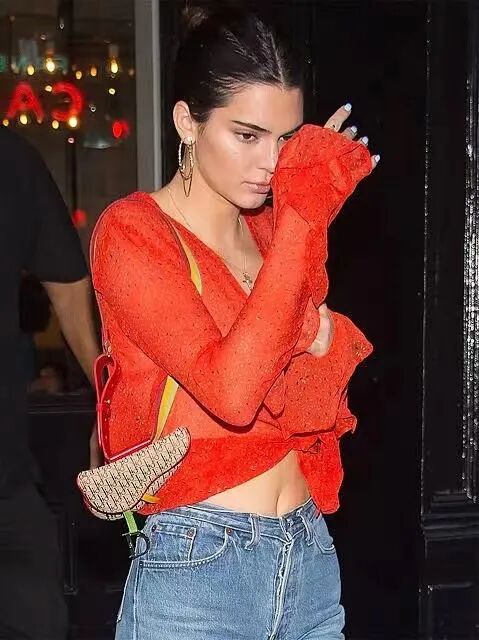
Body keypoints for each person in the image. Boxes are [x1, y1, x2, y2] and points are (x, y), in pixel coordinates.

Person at [91, 7, 379, 639]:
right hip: (199, 565)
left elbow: (312, 404)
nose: (272, 163)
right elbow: (234, 392)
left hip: (308, 556)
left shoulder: (276, 232)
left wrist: (319, 335)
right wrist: (305, 221)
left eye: (287, 140)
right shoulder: (133, 233)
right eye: (247, 135)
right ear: (187, 122)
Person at [0, 126, 100, 640]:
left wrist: (112, 399)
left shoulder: (11, 160)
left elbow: (67, 284)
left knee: (41, 619)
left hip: (8, 478)